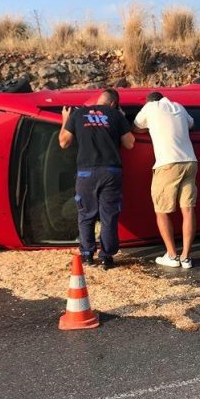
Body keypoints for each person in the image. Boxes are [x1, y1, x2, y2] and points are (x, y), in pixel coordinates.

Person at [59, 88, 135, 269]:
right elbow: (130, 143)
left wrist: (65, 120)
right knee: (108, 215)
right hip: (110, 171)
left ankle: (87, 255)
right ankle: (107, 257)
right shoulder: (116, 115)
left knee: (86, 214)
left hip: (86, 173)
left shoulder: (78, 114)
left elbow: (63, 142)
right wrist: (122, 118)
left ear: (100, 99)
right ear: (113, 103)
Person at [133, 92, 197, 269]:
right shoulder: (179, 107)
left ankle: (172, 255)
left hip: (167, 164)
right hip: (190, 161)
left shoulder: (150, 108)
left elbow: (135, 127)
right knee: (188, 210)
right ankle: (186, 258)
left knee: (161, 211)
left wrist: (150, 128)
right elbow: (192, 125)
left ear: (149, 101)